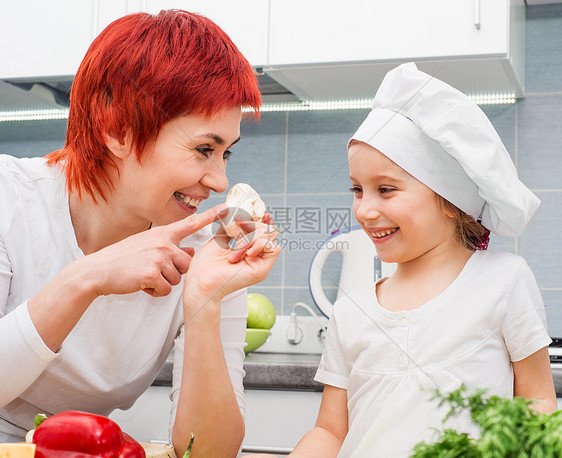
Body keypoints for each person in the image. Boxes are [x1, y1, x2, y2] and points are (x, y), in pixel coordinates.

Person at [0, 9, 280, 458]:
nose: (219, 181)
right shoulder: (10, 199)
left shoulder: (204, 253)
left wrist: (205, 304)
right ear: (117, 130)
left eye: (225, 154)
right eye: (204, 149)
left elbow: (209, 453)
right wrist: (84, 279)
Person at [288, 63, 556, 457]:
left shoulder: (504, 281)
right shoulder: (350, 311)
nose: (363, 210)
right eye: (358, 190)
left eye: (385, 189)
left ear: (449, 200)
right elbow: (330, 430)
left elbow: (536, 404)